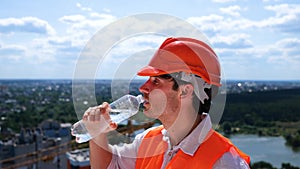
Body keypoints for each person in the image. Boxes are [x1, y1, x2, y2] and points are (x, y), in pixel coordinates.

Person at [82, 37, 251, 169]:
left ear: (184, 91)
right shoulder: (148, 140)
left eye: (156, 82)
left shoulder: (225, 162)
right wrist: (97, 134)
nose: (143, 88)